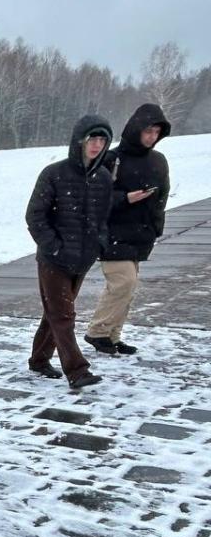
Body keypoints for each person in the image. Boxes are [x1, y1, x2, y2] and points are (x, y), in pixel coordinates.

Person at [25, 114, 114, 389]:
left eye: (102, 139)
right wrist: (55, 247)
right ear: (80, 141)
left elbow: (103, 219)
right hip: (53, 260)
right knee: (63, 316)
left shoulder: (103, 177)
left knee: (55, 312)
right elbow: (35, 217)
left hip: (83, 260)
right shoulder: (54, 174)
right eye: (92, 138)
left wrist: (98, 244)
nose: (97, 145)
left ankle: (39, 360)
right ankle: (77, 371)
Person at [84, 104, 171, 356]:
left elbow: (163, 194)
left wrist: (156, 226)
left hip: (142, 233)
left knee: (128, 287)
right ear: (135, 129)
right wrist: (125, 198)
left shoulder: (158, 160)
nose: (152, 137)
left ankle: (112, 336)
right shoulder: (112, 158)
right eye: (148, 131)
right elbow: (95, 197)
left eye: (156, 132)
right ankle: (98, 331)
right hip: (112, 232)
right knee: (124, 282)